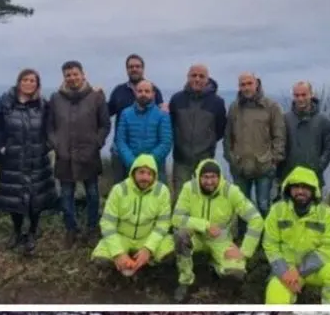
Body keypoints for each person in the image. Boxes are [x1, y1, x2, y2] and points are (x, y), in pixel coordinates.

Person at [0, 68, 55, 256]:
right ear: (19, 82)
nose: (29, 83)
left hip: (36, 158)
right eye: (25, 79)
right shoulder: (6, 103)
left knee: (35, 198)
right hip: (13, 158)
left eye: (33, 80)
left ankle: (32, 232)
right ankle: (17, 232)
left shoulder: (43, 105)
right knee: (14, 196)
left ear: (37, 84)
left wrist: (46, 147)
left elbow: (51, 129)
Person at [171, 160, 262, 302]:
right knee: (181, 236)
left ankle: (217, 267)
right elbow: (177, 218)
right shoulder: (189, 188)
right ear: (198, 177)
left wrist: (244, 251)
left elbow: (256, 219)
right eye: (205, 177)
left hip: (221, 239)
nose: (209, 181)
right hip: (196, 235)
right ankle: (185, 280)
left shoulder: (231, 191)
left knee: (236, 274)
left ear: (219, 177)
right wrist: (205, 225)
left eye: (213, 177)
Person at [262, 166, 330, 304]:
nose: (300, 191)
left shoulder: (326, 214)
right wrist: (285, 272)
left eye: (305, 187)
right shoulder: (277, 210)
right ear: (288, 189)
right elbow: (270, 245)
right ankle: (291, 293)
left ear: (314, 190)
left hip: (315, 269)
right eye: (296, 187)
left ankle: (328, 307)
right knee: (275, 300)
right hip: (286, 269)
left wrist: (300, 270)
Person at [49, 60, 110, 241]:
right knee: (66, 195)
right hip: (64, 156)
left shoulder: (96, 97)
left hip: (89, 155)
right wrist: (56, 144)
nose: (72, 78)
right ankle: (71, 229)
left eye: (75, 74)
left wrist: (96, 143)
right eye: (68, 75)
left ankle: (92, 228)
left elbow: (105, 124)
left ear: (83, 75)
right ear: (64, 78)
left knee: (92, 193)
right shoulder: (55, 98)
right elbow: (49, 127)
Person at [93, 154, 173, 276]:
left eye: (149, 174)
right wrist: (118, 253)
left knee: (170, 253)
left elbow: (163, 224)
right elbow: (107, 223)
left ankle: (148, 263)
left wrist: (148, 248)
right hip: (122, 237)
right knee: (101, 259)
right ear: (133, 172)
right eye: (141, 172)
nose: (145, 177)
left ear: (155, 176)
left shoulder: (162, 191)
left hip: (148, 236)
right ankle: (122, 263)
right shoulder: (119, 190)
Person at [225, 73, 287, 215]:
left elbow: (279, 135)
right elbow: (228, 136)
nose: (246, 88)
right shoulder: (234, 108)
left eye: (249, 84)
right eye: (242, 85)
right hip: (240, 166)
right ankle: (242, 236)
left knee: (264, 205)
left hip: (264, 166)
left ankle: (266, 237)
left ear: (256, 84)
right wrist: (230, 158)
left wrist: (275, 160)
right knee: (241, 207)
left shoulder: (271, 107)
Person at [168, 64, 227, 193]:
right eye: (194, 75)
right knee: (180, 197)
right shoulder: (177, 99)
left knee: (204, 197)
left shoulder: (217, 102)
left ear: (207, 79)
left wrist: (208, 141)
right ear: (188, 77)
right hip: (181, 159)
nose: (197, 79)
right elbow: (171, 125)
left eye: (201, 76)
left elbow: (220, 129)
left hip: (205, 159)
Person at [113, 81, 172, 183]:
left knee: (157, 197)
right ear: (135, 93)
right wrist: (133, 162)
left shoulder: (162, 115)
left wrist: (148, 162)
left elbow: (166, 142)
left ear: (153, 94)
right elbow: (121, 141)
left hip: (156, 168)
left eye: (147, 91)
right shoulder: (126, 113)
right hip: (132, 167)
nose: (143, 94)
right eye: (140, 91)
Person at [280, 81, 330, 184]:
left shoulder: (323, 121)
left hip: (314, 176)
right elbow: (279, 145)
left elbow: (329, 147)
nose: (300, 99)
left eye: (304, 95)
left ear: (311, 94)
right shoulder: (285, 119)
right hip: (288, 177)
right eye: (297, 95)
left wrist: (319, 166)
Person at [108, 53, 165, 118]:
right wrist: (97, 94)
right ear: (127, 70)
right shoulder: (118, 91)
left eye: (137, 66)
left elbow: (161, 115)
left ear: (143, 69)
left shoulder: (154, 90)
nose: (134, 69)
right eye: (131, 67)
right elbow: (106, 113)